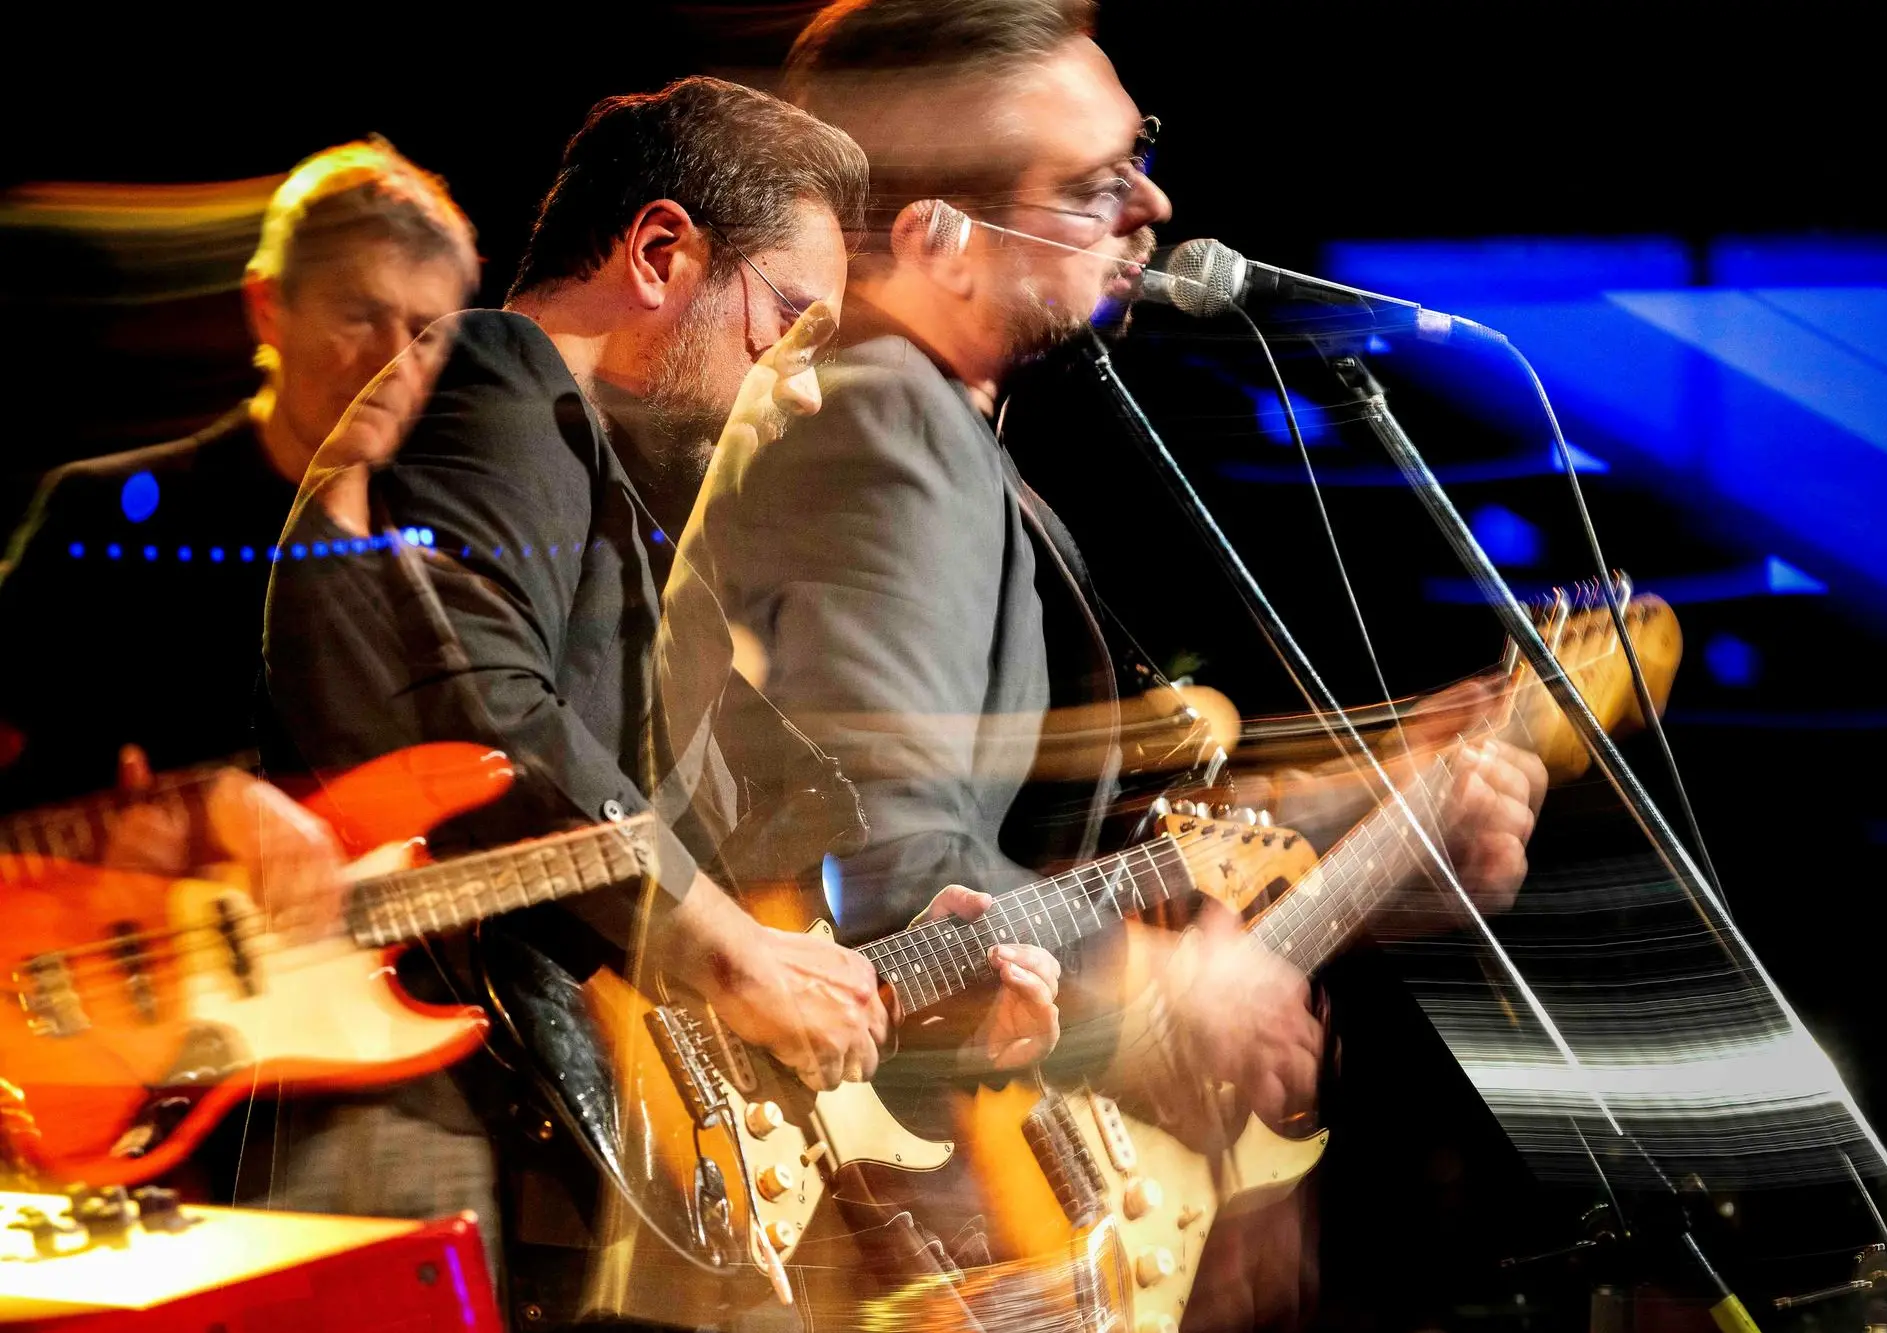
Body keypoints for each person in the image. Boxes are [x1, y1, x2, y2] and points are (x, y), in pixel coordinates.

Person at [654, 2, 1549, 1327]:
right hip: (888, 1223)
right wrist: (1150, 995)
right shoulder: (889, 430)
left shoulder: (928, 429)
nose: (1152, 205)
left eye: (1140, 154)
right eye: (1089, 186)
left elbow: (1003, 837)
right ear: (937, 241)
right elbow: (884, 868)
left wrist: (1374, 820)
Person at [260, 76, 1064, 1324]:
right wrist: (732, 953)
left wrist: (902, 985)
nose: (802, 388)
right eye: (786, 322)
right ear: (657, 254)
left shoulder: (628, 544)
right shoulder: (487, 375)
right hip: (420, 1150)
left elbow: (729, 893)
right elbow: (476, 715)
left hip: (553, 1181)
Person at [0, 139, 478, 814]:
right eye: (361, 313)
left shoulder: (454, 564)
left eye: (425, 332)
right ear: (268, 306)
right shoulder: (101, 517)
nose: (393, 361)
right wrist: (146, 819)